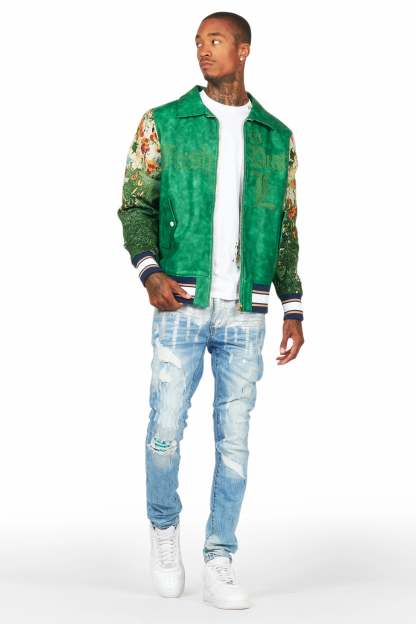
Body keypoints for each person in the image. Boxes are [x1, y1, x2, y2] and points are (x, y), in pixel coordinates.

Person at [117, 11, 305, 610]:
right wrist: (150, 271)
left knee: (235, 443)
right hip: (181, 301)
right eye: (199, 41)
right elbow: (135, 203)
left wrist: (293, 305)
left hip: (247, 311)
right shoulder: (165, 122)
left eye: (216, 40)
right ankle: (164, 529)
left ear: (243, 50)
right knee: (166, 428)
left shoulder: (276, 136)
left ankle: (220, 556)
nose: (204, 50)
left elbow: (286, 226)